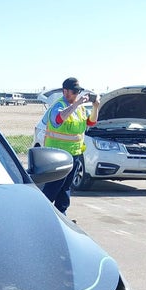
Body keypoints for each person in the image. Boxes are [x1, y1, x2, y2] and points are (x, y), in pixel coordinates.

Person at [41, 77, 100, 214]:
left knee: (65, 189)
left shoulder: (80, 109)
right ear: (65, 91)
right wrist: (77, 103)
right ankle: (42, 213)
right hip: (57, 155)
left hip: (74, 154)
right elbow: (58, 119)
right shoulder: (59, 105)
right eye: (74, 91)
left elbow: (91, 122)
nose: (76, 94)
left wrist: (96, 106)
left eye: (77, 92)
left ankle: (61, 214)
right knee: (53, 188)